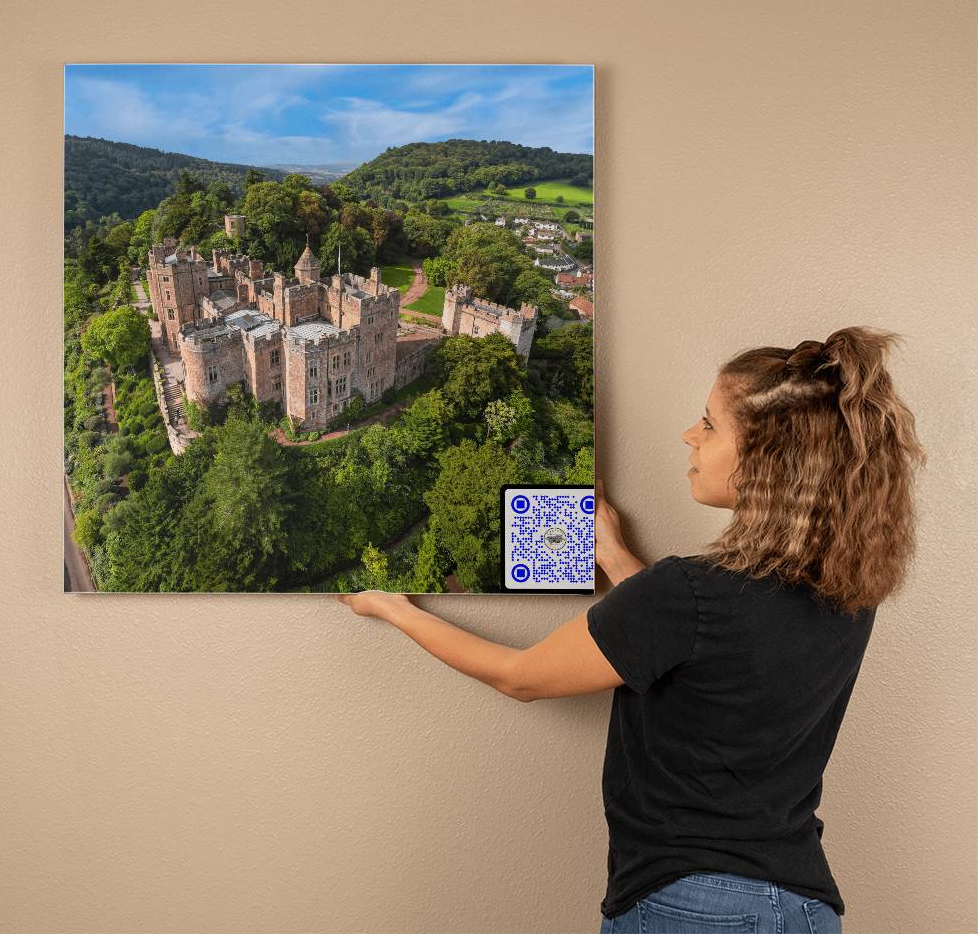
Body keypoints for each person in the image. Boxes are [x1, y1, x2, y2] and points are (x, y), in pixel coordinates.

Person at [336, 325, 926, 934]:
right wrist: (618, 560)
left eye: (710, 425)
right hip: (804, 907)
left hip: (697, 909)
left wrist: (395, 609)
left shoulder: (689, 594)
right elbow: (706, 648)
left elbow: (520, 678)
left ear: (766, 459)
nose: (689, 436)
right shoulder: (848, 594)